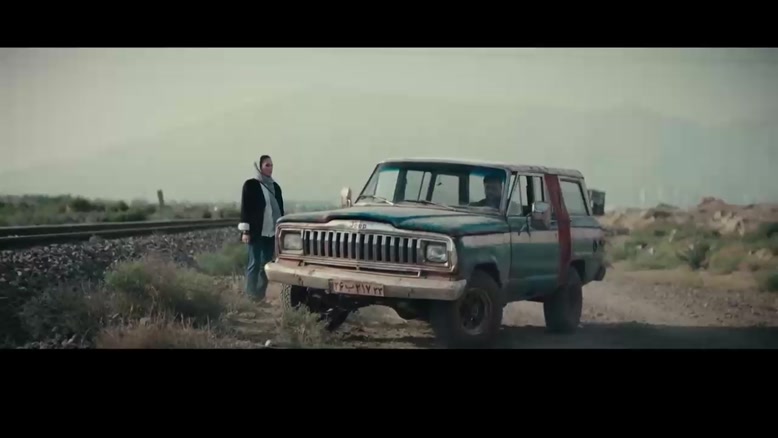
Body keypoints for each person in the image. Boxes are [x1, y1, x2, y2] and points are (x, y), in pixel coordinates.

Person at [238, 155, 284, 302]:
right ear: (260, 167)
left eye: (271, 165)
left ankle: (259, 296)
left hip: (271, 233)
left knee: (266, 266)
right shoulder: (251, 185)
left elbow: (280, 211)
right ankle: (250, 296)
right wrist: (245, 231)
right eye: (267, 165)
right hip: (256, 232)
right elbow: (245, 209)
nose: (270, 168)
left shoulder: (275, 187)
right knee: (254, 263)